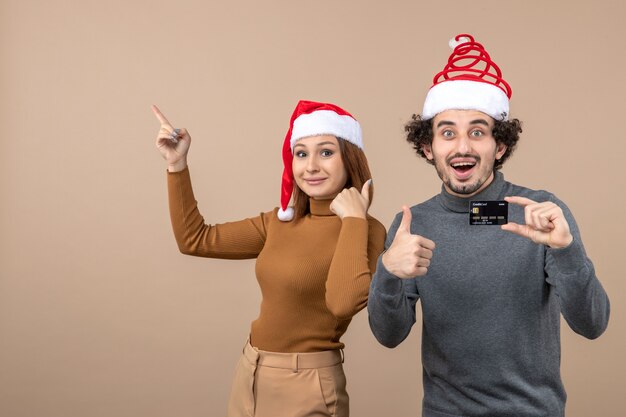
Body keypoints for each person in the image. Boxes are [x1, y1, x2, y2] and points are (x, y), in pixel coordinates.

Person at [367, 34, 610, 417]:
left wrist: (567, 251)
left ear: (499, 146)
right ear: (428, 148)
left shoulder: (542, 213)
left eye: (477, 132)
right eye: (447, 133)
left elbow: (593, 324)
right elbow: (389, 335)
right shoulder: (412, 225)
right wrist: (387, 273)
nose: (462, 146)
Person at [152, 100, 386, 417]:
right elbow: (196, 239)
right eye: (301, 153)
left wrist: (355, 218)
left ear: (350, 159)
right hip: (250, 372)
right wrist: (177, 164)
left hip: (308, 384)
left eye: (326, 152)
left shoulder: (366, 230)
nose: (311, 166)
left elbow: (343, 303)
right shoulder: (279, 222)